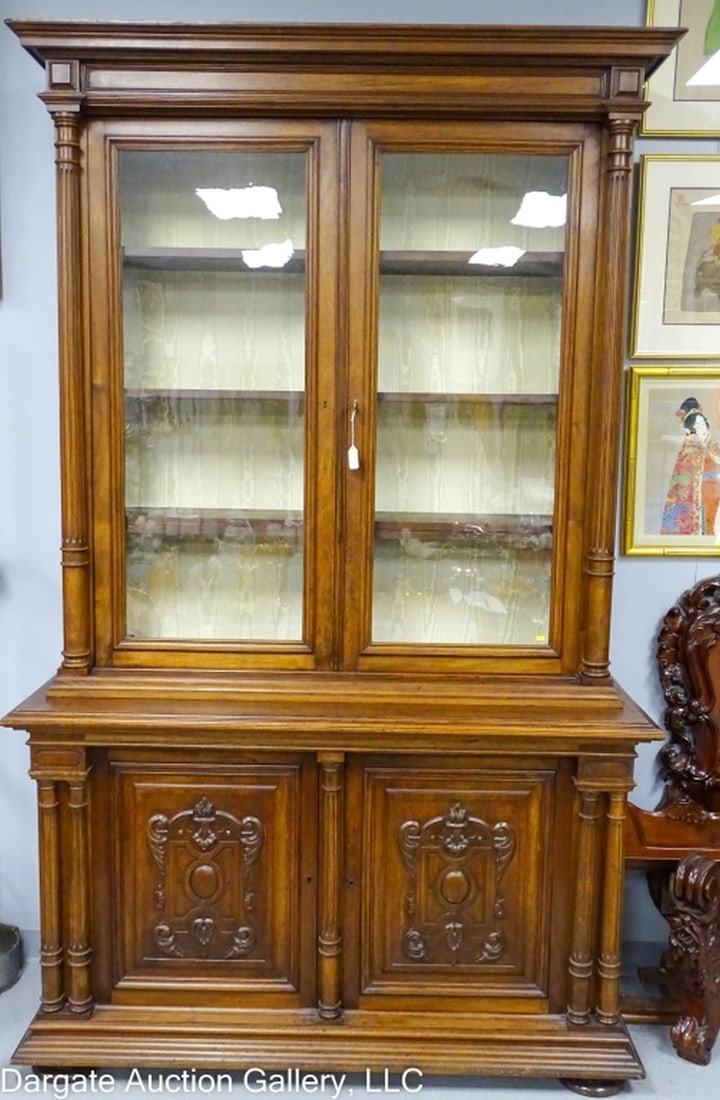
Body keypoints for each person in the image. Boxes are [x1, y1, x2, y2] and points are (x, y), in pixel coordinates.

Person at [661, 397, 720, 536]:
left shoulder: (689, 429)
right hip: (698, 469)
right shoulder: (697, 420)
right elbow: (706, 440)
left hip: (692, 465)